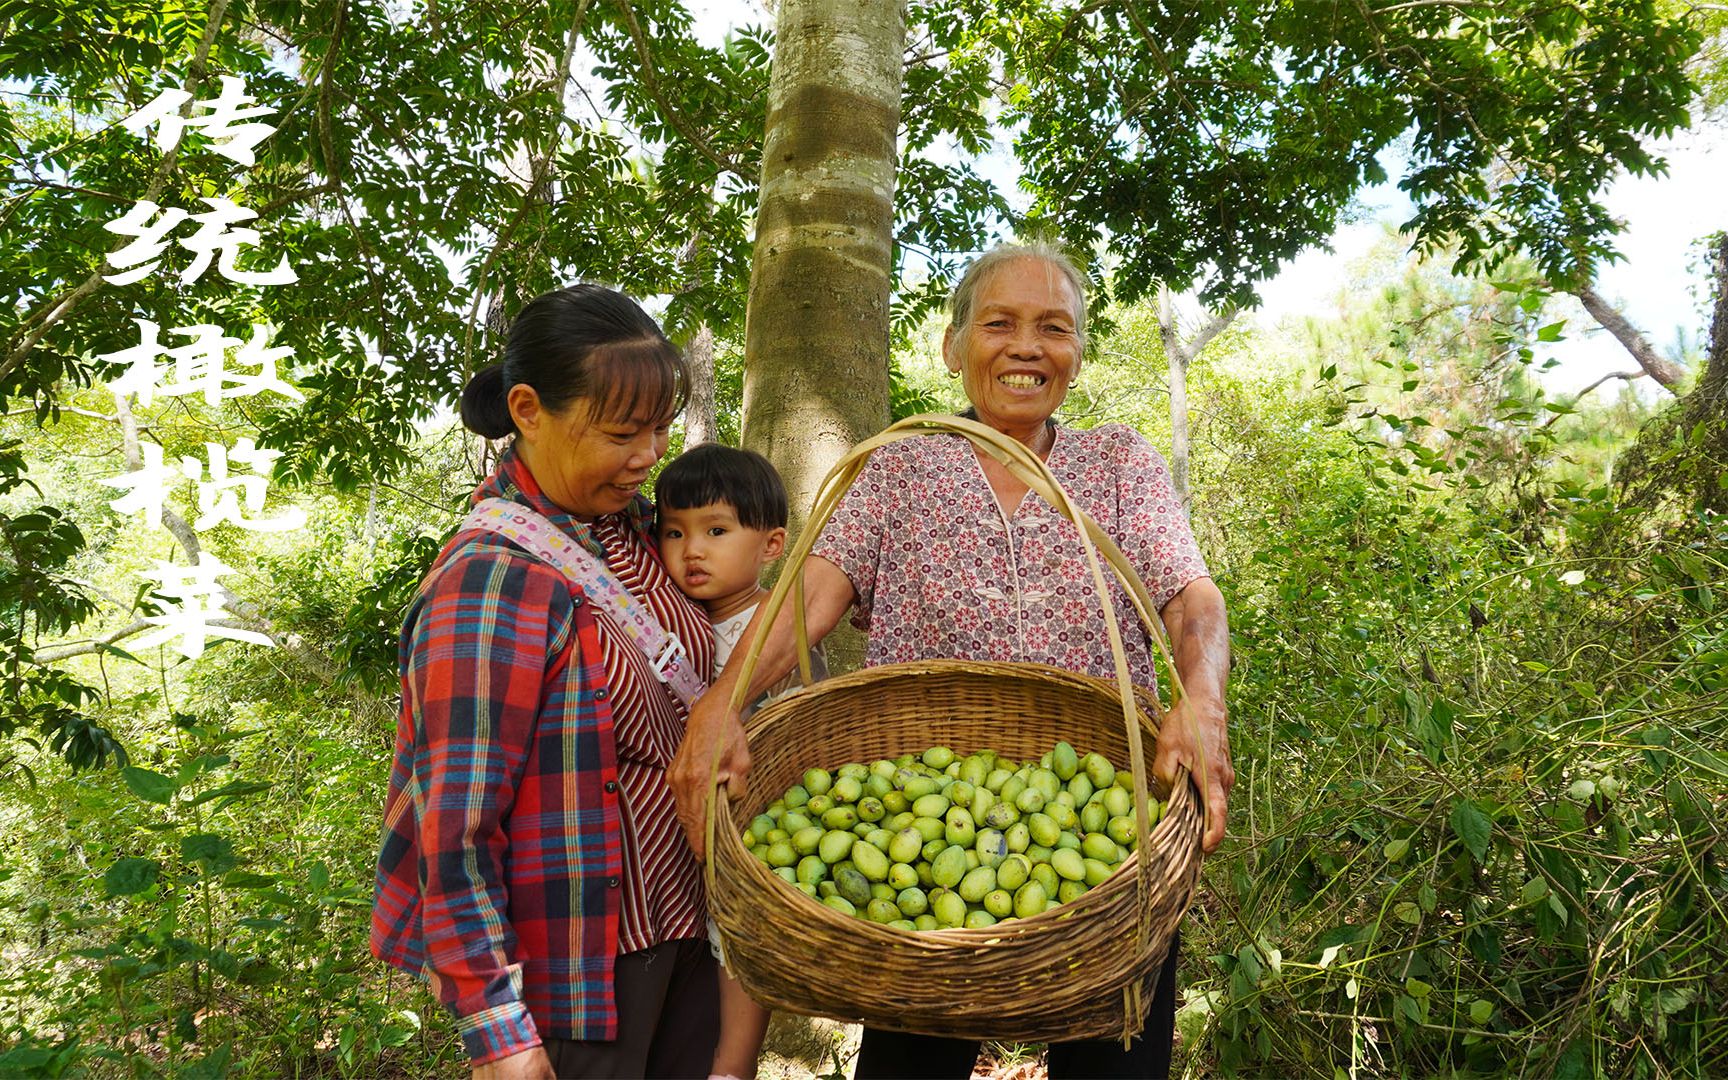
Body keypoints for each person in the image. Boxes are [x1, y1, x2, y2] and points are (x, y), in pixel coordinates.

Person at [667, 243, 1233, 1079]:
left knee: (1118, 1061)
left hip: (1111, 851)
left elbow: (1194, 600)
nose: (1027, 347)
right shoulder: (901, 464)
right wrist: (723, 703)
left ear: (1078, 352)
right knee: (911, 1066)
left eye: (1054, 328)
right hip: (922, 838)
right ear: (952, 344)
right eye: (998, 323)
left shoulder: (1118, 463)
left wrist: (1203, 704)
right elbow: (808, 599)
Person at [372, 284, 721, 1080]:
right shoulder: (492, 583)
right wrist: (499, 1029)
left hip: (683, 933)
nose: (649, 454)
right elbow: (454, 826)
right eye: (623, 432)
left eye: (661, 429)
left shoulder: (635, 534)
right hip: (585, 975)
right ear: (528, 410)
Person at [655, 443, 829, 1080]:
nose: (691, 550)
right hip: (693, 827)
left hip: (759, 820)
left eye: (717, 531)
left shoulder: (774, 626)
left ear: (773, 544)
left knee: (738, 938)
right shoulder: (675, 618)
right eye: (674, 532)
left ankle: (734, 1066)